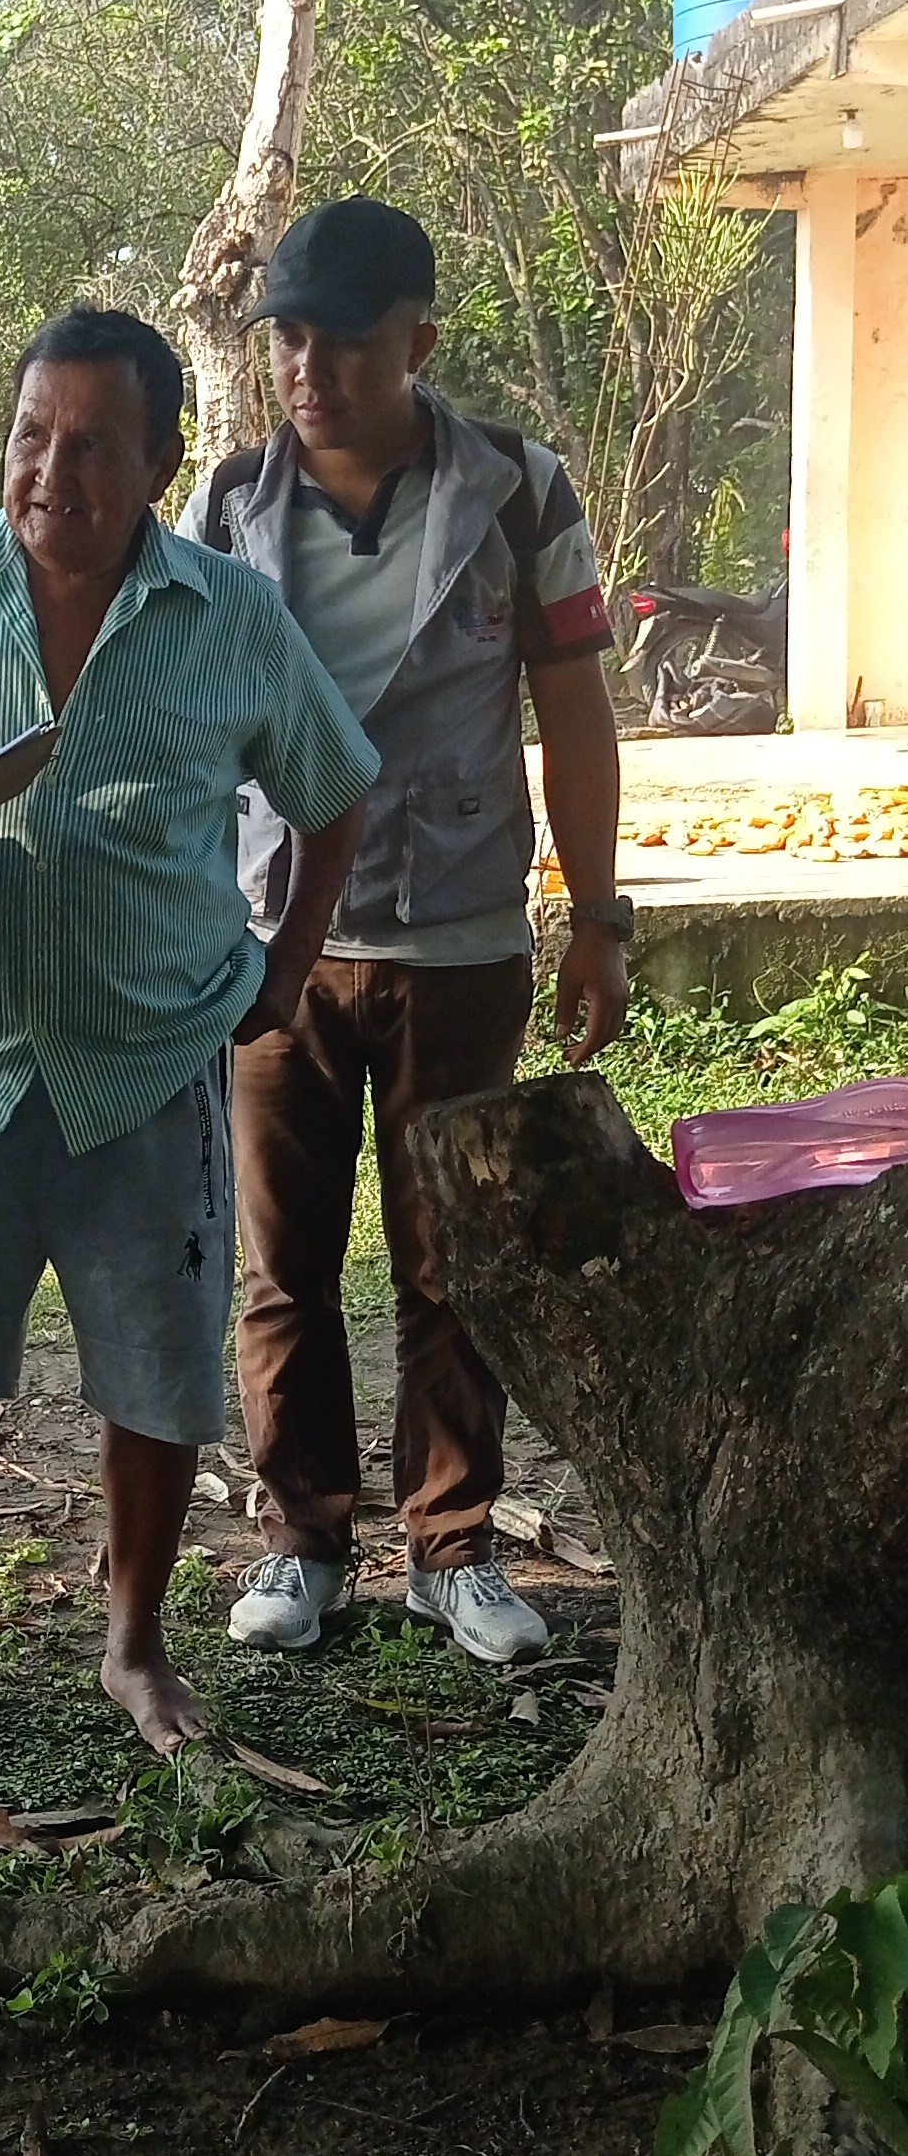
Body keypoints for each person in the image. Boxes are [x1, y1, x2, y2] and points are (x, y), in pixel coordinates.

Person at [0, 305, 380, 1786]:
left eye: (95, 446)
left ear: (162, 463)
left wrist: (283, 974)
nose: (53, 474)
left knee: (153, 1384)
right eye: (31, 436)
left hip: (147, 1071)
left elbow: (334, 793)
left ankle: (133, 1643)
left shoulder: (230, 617)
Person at [182, 197, 630, 1667]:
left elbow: (574, 708)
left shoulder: (516, 490)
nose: (307, 371)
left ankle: (452, 1545)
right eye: (287, 340)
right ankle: (302, 1538)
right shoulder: (228, 508)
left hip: (460, 939)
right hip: (278, 946)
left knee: (452, 1259)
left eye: (344, 342)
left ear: (419, 343)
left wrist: (595, 917)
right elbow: (183, 724)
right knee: (284, 1264)